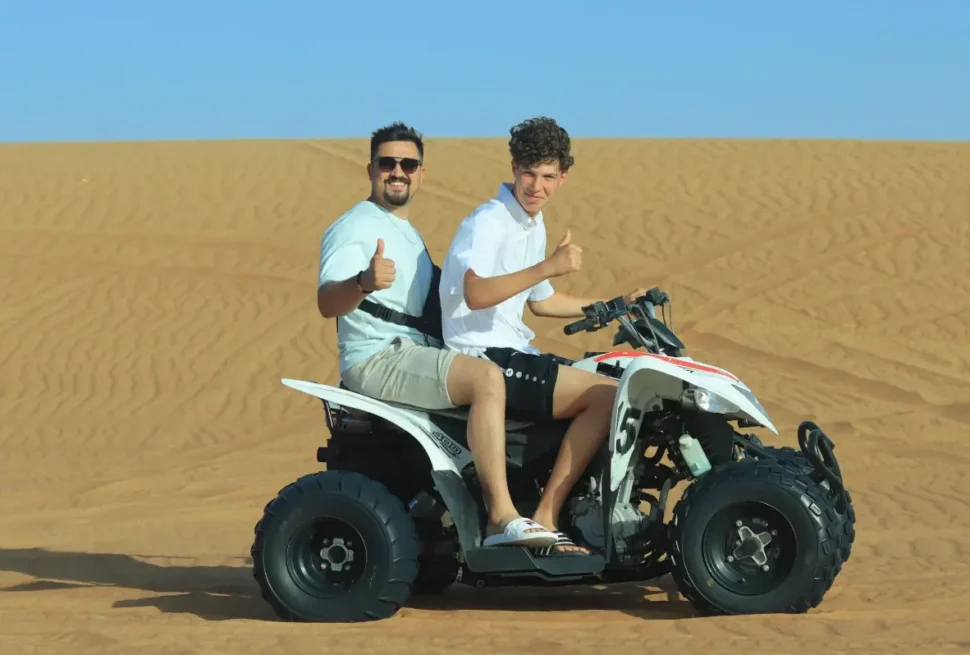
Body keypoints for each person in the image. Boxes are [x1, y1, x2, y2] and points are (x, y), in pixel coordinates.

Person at [315, 121, 559, 550]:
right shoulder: (354, 226)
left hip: (416, 352)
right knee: (487, 379)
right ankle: (501, 517)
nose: (398, 172)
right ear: (370, 169)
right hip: (379, 356)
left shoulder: (406, 233)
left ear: (421, 174)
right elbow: (327, 302)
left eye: (408, 164)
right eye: (387, 163)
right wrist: (363, 282)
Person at [438, 116, 648, 556]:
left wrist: (613, 303)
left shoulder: (532, 223)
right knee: (606, 397)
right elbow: (476, 293)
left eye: (548, 176)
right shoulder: (489, 221)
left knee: (612, 378)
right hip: (482, 354)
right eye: (529, 173)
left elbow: (542, 300)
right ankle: (547, 517)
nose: (537, 186)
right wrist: (548, 266)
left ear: (563, 178)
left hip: (515, 348)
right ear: (514, 168)